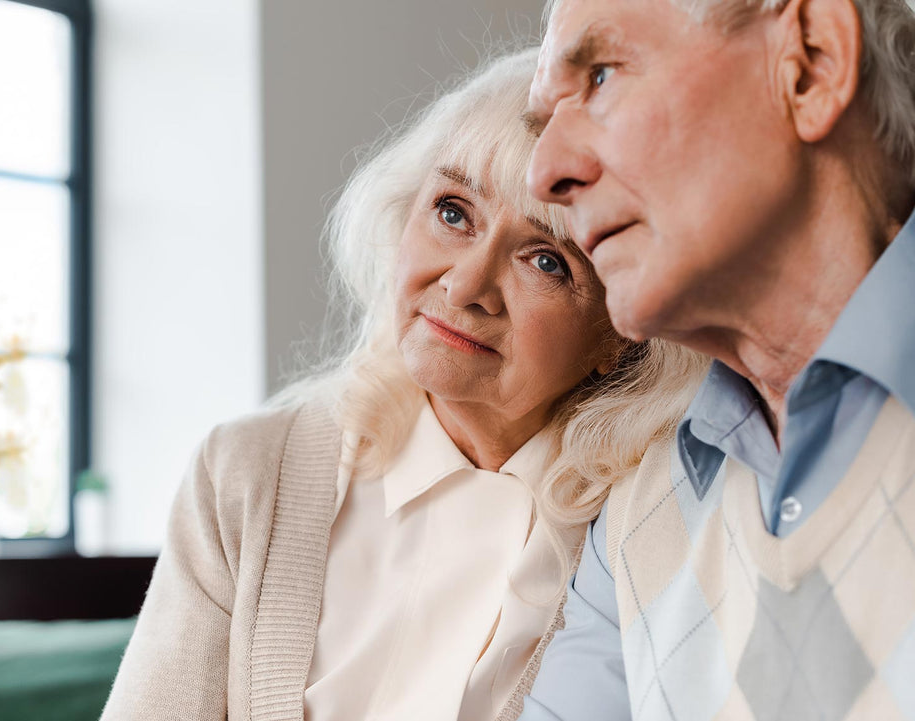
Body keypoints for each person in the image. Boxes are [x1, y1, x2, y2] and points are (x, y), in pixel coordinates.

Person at [100, 48, 703, 721]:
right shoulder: (246, 472)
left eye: (545, 260)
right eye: (453, 212)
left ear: (616, 328)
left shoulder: (652, 526)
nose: (465, 285)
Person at [518, 0, 915, 718]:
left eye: (601, 76)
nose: (543, 172)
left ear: (810, 63)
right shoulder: (637, 524)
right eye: (544, 122)